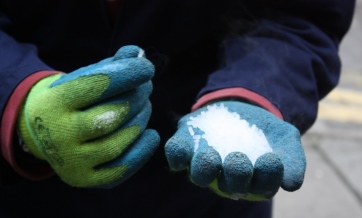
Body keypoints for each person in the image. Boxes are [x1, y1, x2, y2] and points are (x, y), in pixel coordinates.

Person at [0, 0, 356, 217]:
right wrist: (15, 95)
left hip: (207, 194)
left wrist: (249, 92)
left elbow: (299, 15)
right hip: (25, 188)